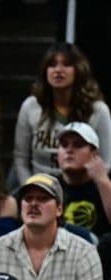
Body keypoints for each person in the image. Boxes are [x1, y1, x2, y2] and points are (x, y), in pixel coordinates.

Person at [13, 42, 111, 185]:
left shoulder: (98, 110)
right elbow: (21, 159)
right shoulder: (30, 106)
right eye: (52, 65)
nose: (58, 70)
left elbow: (107, 163)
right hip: (40, 187)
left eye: (66, 64)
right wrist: (32, 189)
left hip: (82, 187)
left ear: (78, 70)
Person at [56, 122, 111, 239]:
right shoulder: (51, 185)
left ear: (94, 153)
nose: (69, 150)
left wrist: (102, 181)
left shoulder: (105, 183)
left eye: (78, 144)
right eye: (64, 145)